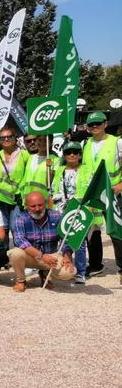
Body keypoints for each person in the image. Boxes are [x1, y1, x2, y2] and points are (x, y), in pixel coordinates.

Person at [81, 111, 122, 278]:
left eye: (98, 123)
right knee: (93, 229)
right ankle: (96, 264)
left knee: (116, 229)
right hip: (93, 194)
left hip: (113, 192)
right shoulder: (86, 143)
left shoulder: (117, 142)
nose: (95, 127)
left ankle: (121, 266)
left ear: (105, 124)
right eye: (91, 124)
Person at [8, 192, 75, 292]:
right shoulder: (21, 218)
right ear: (26, 206)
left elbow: (67, 237)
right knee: (15, 253)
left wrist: (67, 255)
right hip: (30, 256)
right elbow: (19, 240)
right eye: (33, 206)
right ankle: (21, 281)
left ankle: (45, 274)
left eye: (40, 205)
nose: (37, 209)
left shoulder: (56, 216)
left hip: (52, 257)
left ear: (46, 203)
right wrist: (41, 256)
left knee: (70, 272)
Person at [51, 141, 93, 284]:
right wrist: (56, 202)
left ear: (80, 155)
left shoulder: (87, 170)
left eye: (75, 152)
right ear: (64, 155)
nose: (72, 155)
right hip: (62, 209)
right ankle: (62, 266)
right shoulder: (59, 170)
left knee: (79, 242)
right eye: (68, 152)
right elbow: (54, 189)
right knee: (62, 239)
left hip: (80, 210)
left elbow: (91, 191)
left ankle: (80, 272)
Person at [0, 126, 30, 226]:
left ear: (15, 138)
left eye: (9, 136)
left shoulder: (24, 155)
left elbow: (28, 175)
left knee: (15, 227)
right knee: (2, 229)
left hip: (16, 199)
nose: (6, 139)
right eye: (3, 138)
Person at [19, 134, 57, 211]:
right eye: (39, 140)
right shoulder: (30, 157)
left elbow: (51, 183)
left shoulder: (55, 160)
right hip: (28, 203)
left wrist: (49, 167)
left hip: (42, 204)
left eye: (45, 141)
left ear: (50, 143)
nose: (42, 143)